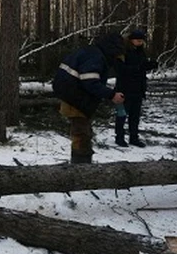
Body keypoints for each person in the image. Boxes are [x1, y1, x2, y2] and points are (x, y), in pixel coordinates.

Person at [52, 32, 125, 164]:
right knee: (81, 134)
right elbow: (90, 82)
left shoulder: (92, 52)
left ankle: (81, 163)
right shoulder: (95, 57)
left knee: (82, 132)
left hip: (71, 95)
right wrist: (111, 95)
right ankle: (81, 167)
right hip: (74, 98)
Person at [114, 28, 158, 148]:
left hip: (138, 88)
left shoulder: (140, 52)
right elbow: (120, 70)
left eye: (141, 41)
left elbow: (141, 67)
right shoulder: (123, 51)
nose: (140, 43)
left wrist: (149, 65)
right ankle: (119, 137)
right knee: (122, 115)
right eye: (138, 40)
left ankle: (134, 137)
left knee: (135, 116)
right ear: (131, 40)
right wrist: (138, 68)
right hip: (124, 88)